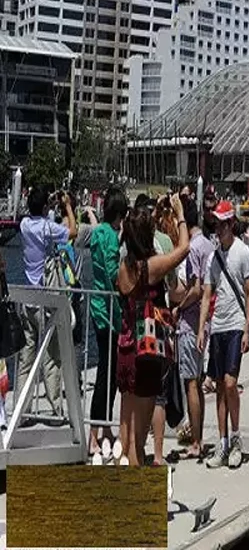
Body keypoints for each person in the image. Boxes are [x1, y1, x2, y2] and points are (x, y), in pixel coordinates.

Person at [116, 199, 189, 467]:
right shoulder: (150, 267)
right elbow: (183, 249)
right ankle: (135, 495)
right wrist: (180, 215)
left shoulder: (124, 267)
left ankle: (122, 475)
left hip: (124, 347)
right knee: (139, 436)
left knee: (126, 425)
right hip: (145, 352)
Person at [197, 200, 249, 469]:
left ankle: (236, 436)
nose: (217, 229)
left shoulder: (243, 252)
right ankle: (222, 444)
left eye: (221, 224)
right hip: (217, 326)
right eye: (215, 224)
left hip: (235, 324)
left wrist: (248, 328)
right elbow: (207, 294)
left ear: (231, 224)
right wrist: (201, 329)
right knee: (219, 386)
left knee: (231, 383)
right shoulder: (212, 257)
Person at [17, 186, 77, 416]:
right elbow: (72, 231)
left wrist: (47, 203)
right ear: (45, 207)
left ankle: (22, 409)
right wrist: (67, 206)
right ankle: (54, 407)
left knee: (26, 357)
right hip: (46, 297)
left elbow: (36, 213)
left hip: (27, 298)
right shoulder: (46, 227)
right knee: (51, 354)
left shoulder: (23, 226)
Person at [174, 192, 214, 459]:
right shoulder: (208, 244)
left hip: (190, 324)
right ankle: (198, 435)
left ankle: (196, 440)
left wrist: (178, 305)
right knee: (197, 382)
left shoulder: (192, 248)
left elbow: (197, 288)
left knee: (190, 382)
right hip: (207, 320)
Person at [87, 187, 124, 458]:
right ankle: (94, 434)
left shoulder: (98, 232)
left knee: (107, 372)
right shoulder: (111, 236)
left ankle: (104, 428)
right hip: (110, 310)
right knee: (106, 374)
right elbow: (113, 274)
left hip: (97, 306)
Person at [150, 195, 186, 466]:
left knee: (136, 393)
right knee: (159, 395)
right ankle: (158, 455)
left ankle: (134, 451)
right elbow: (174, 288)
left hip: (133, 324)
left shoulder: (128, 250)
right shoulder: (161, 246)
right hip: (157, 324)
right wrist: (181, 213)